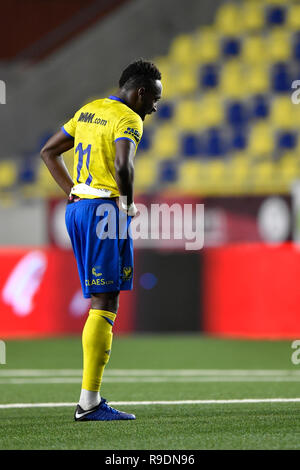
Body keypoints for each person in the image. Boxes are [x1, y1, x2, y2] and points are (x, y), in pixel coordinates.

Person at [40, 59, 162, 421]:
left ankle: (89, 399)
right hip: (103, 212)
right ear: (140, 93)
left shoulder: (90, 109)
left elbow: (49, 151)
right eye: (154, 98)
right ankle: (89, 402)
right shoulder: (129, 119)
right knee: (105, 301)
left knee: (101, 298)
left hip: (79, 210)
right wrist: (126, 205)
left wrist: (70, 191)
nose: (155, 107)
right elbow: (124, 166)